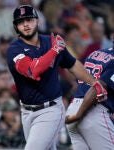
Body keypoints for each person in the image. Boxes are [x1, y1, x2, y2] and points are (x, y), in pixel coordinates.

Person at [6, 5, 106, 150]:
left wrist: (93, 82)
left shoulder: (50, 42)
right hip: (27, 111)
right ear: (16, 27)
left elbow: (72, 64)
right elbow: (33, 71)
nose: (25, 24)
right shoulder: (14, 49)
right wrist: (54, 51)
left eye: (29, 20)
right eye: (20, 22)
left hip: (51, 110)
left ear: (37, 21)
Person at [65, 47, 114, 150]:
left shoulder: (96, 53)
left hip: (75, 106)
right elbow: (98, 87)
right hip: (91, 110)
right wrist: (79, 114)